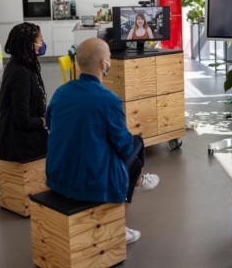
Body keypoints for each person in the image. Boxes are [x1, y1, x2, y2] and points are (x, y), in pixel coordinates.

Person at [45, 38, 159, 245]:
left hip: (57, 175)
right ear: (103, 64)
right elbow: (124, 146)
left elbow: (51, 125)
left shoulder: (61, 92)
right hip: (90, 181)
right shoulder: (109, 99)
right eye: (109, 60)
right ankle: (117, 225)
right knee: (137, 147)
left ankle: (136, 184)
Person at [0, 22, 48, 162]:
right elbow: (22, 121)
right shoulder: (20, 73)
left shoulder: (22, 64)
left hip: (21, 142)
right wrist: (45, 121)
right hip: (19, 148)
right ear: (29, 44)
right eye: (41, 40)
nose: (43, 43)